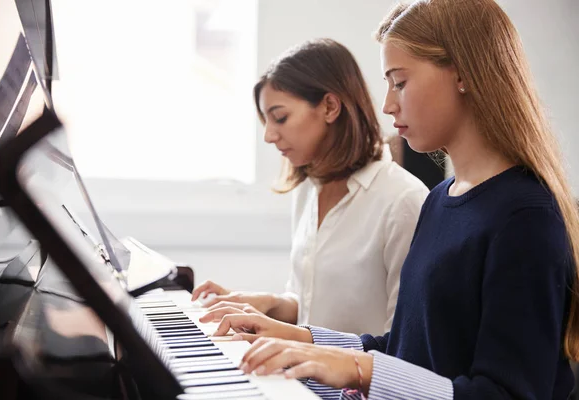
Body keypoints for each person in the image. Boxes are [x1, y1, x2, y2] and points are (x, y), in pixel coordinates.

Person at [204, 1, 579, 399]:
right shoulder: (441, 200)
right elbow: (406, 349)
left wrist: (358, 369)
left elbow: (507, 394)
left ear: (464, 74)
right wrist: (300, 338)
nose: (387, 104)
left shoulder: (524, 218)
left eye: (399, 82)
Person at [192, 38, 428, 335]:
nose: (268, 135)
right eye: (266, 121)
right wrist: (266, 304)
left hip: (358, 381)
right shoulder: (308, 190)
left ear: (330, 107)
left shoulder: (403, 200)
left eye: (280, 117)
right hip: (305, 375)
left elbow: (405, 343)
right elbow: (311, 304)